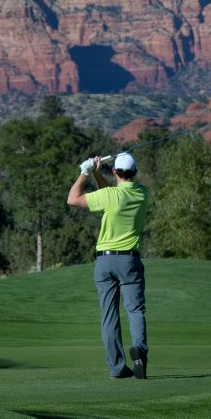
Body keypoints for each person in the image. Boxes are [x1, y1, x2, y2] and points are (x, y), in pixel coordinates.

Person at [67, 152, 149, 379]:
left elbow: (73, 198)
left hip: (104, 262)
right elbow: (110, 193)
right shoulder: (143, 193)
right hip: (130, 260)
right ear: (135, 172)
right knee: (135, 310)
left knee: (109, 315)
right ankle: (140, 353)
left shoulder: (110, 196)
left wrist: (85, 172)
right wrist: (95, 172)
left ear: (115, 172)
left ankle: (117, 367)